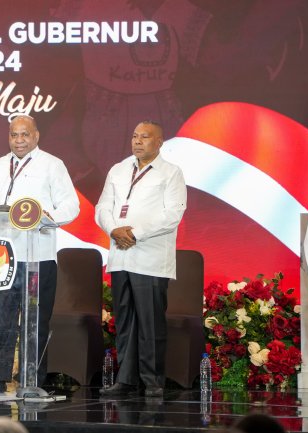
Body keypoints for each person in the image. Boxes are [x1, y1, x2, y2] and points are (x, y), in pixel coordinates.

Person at [0, 115, 80, 393]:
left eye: (24, 135)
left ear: (36, 136)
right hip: (1, 256)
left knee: (36, 320)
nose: (19, 140)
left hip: (38, 256)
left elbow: (71, 205)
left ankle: (31, 380)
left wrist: (46, 216)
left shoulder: (52, 165)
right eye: (13, 135)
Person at [95, 120, 187, 398]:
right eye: (134, 136)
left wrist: (135, 234)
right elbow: (102, 207)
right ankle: (126, 379)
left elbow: (172, 214)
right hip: (121, 257)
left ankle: (153, 380)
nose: (137, 141)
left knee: (150, 322)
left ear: (159, 142)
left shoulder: (171, 173)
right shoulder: (118, 169)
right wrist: (113, 229)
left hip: (150, 258)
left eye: (144, 137)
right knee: (125, 322)